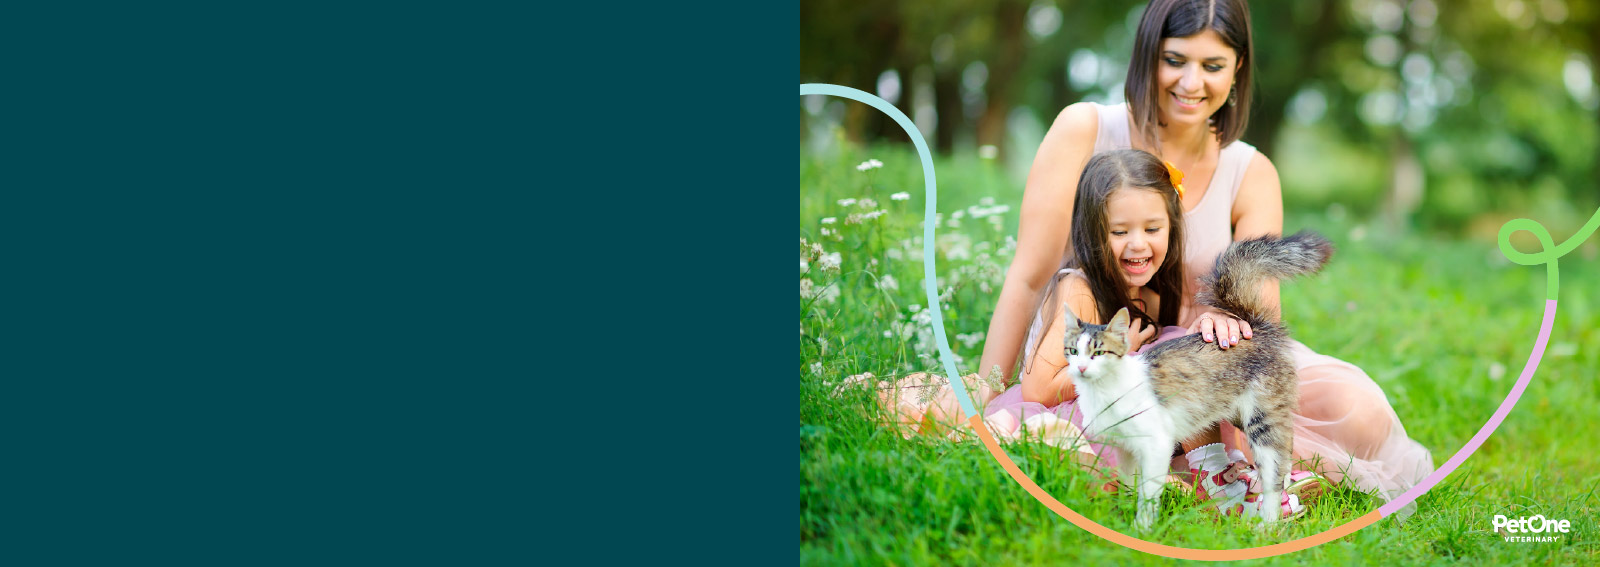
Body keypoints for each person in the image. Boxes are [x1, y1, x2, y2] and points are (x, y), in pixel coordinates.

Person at [971, 0, 1434, 505]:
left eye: (1212, 66)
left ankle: (1234, 463)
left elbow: (1264, 316)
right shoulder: (1085, 129)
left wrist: (1225, 313)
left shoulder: (1250, 171)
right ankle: (1210, 468)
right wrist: (988, 386)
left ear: (1237, 70)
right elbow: (1029, 275)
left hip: (1209, 361)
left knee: (1359, 408)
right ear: (1148, 56)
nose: (1192, 84)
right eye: (1175, 60)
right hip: (1107, 358)